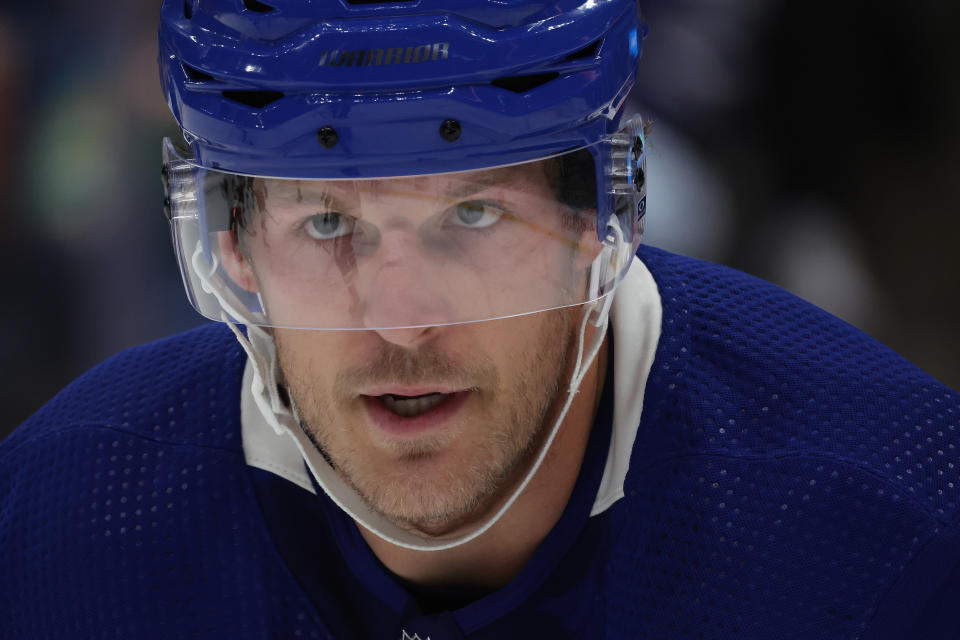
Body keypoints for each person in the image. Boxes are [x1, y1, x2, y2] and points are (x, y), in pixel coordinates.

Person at [1, 1, 958, 638]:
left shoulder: (899, 536)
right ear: (235, 247)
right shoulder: (54, 528)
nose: (404, 322)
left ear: (597, 221)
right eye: (328, 223)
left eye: (475, 214)